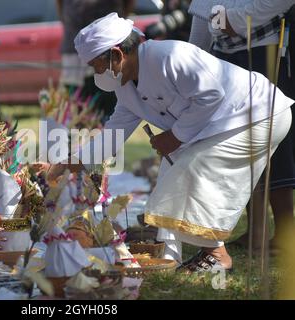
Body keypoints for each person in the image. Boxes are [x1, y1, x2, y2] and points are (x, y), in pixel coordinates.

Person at [52, 12, 294, 272]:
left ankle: (217, 256)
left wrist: (175, 136)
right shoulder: (125, 85)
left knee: (192, 171)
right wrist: (68, 165)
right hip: (225, 124)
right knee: (172, 170)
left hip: (259, 115)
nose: (96, 72)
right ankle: (168, 254)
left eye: (96, 64)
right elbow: (114, 132)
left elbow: (211, 95)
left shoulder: (171, 55)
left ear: (116, 54)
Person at [189, 0, 295, 253]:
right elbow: (204, 14)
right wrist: (194, 56)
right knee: (240, 142)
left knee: (274, 145)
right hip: (225, 56)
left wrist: (234, 19)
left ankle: (285, 231)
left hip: (268, 51)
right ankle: (256, 231)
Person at [56, 0, 135, 120]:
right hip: (73, 47)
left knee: (108, 98)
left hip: (107, 46)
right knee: (76, 100)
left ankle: (104, 125)